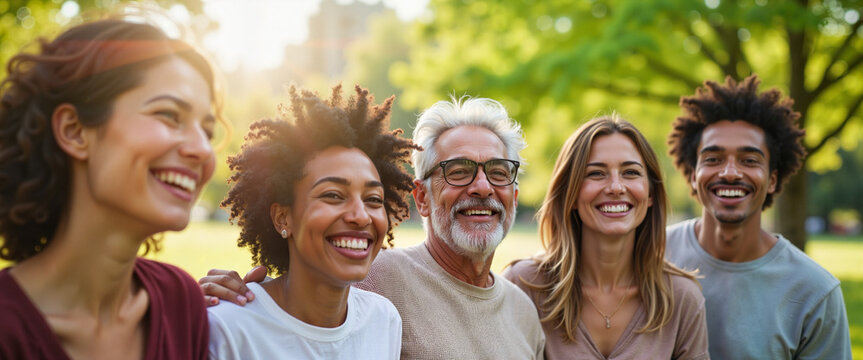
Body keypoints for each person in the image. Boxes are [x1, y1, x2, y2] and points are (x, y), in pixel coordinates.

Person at [199, 96, 546, 359]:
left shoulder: (523, 312)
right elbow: (295, 300)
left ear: (514, 196)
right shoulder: (377, 278)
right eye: (458, 171)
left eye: (499, 172)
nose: (483, 187)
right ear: (421, 198)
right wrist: (213, 295)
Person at [0, 17, 220, 359]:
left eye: (208, 131)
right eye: (169, 114)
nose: (204, 150)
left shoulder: (182, 302)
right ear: (74, 131)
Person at [206, 84, 417, 359]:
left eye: (373, 199)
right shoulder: (226, 328)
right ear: (283, 217)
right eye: (333, 195)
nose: (361, 215)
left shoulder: (383, 320)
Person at [665, 75, 852, 359]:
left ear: (773, 180)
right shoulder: (650, 254)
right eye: (713, 159)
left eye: (749, 160)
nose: (730, 172)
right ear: (692, 176)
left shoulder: (815, 293)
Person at [505, 115, 709, 359]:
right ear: (570, 193)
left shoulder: (681, 298)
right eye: (596, 174)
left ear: (651, 193)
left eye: (630, 173)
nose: (615, 187)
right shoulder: (524, 286)